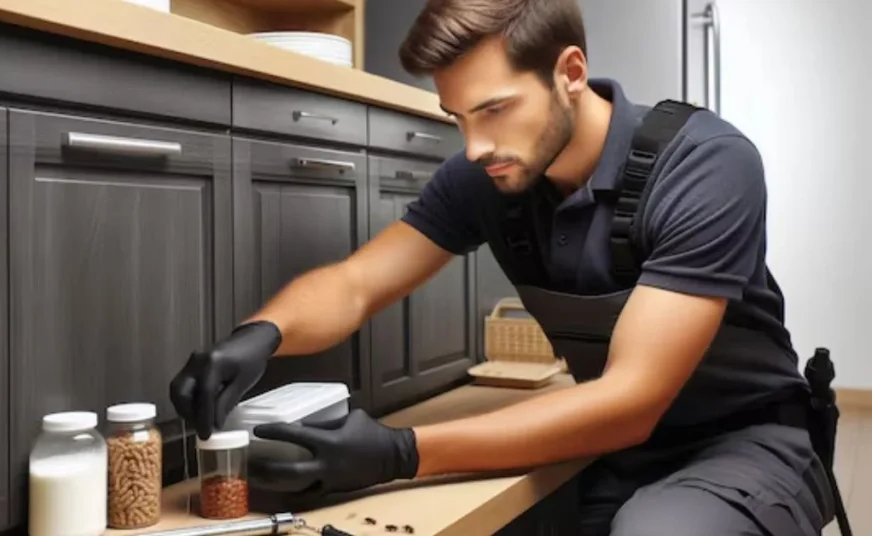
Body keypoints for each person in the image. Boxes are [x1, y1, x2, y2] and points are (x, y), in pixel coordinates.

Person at [169, 0, 835, 534]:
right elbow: (354, 284)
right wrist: (260, 335)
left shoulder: (705, 164)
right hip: (611, 448)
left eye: (494, 109)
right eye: (456, 116)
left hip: (744, 443)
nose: (475, 146)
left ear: (570, 72)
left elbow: (632, 399)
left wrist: (401, 453)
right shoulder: (486, 175)